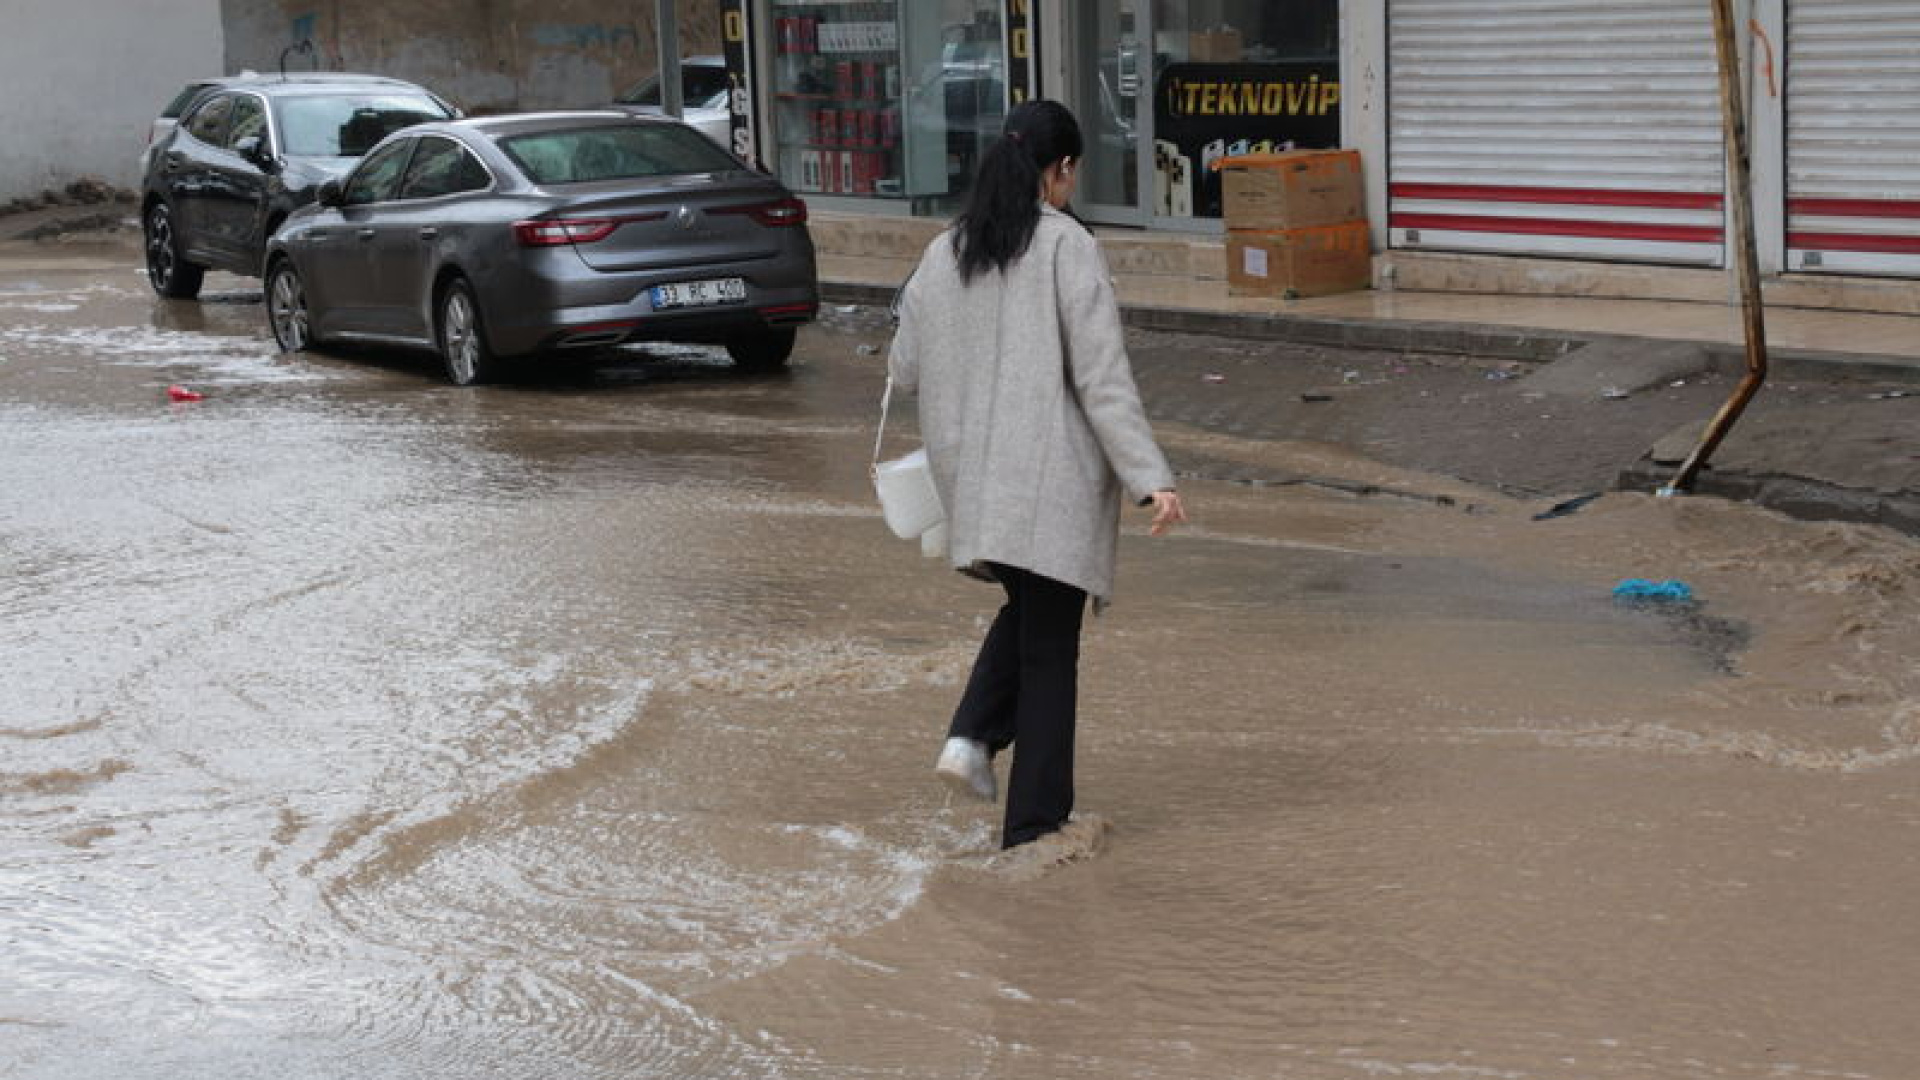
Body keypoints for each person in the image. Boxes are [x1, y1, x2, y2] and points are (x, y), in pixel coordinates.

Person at [887, 99, 1187, 849]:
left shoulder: (943, 250)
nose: (1071, 190)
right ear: (1060, 169)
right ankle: (1034, 831)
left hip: (975, 481)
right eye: (1072, 175)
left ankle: (973, 740)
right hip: (1050, 484)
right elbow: (1102, 377)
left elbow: (906, 369)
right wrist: (1150, 476)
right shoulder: (1065, 246)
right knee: (1051, 652)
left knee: (1031, 618)